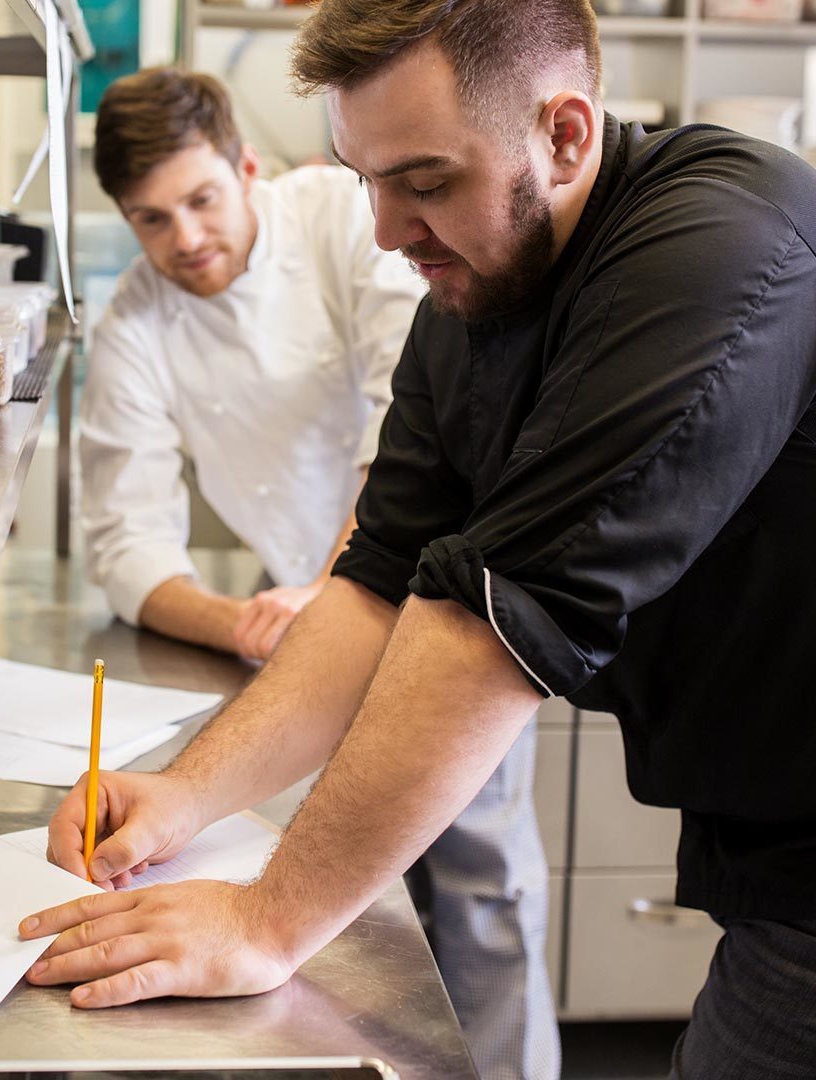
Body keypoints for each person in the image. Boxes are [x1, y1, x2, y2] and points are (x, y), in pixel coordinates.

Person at [25, 2, 816, 1076]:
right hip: (805, 803)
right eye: (366, 181)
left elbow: (488, 632)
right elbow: (374, 585)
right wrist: (188, 793)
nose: (386, 231)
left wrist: (267, 921)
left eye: (425, 182)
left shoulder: (717, 252)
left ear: (564, 134)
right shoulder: (475, 290)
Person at [76, 68, 560, 1079]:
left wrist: (340, 584)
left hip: (452, 604)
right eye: (151, 220)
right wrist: (244, 624)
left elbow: (414, 430)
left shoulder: (347, 221)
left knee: (478, 892)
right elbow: (124, 542)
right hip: (305, 640)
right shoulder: (133, 328)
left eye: (203, 200)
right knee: (333, 914)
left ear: (247, 167)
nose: (186, 239)